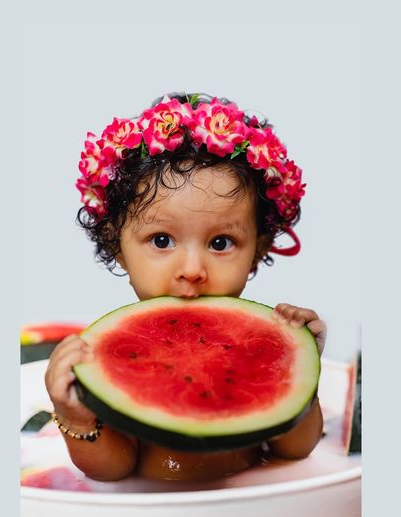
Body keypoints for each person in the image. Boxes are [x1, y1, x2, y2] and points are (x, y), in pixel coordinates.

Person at [45, 92, 326, 482]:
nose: (192, 270)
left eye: (220, 243)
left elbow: (295, 448)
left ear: (258, 249)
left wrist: (300, 370)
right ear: (118, 247)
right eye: (161, 240)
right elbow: (115, 469)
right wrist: (74, 416)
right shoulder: (105, 355)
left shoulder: (261, 341)